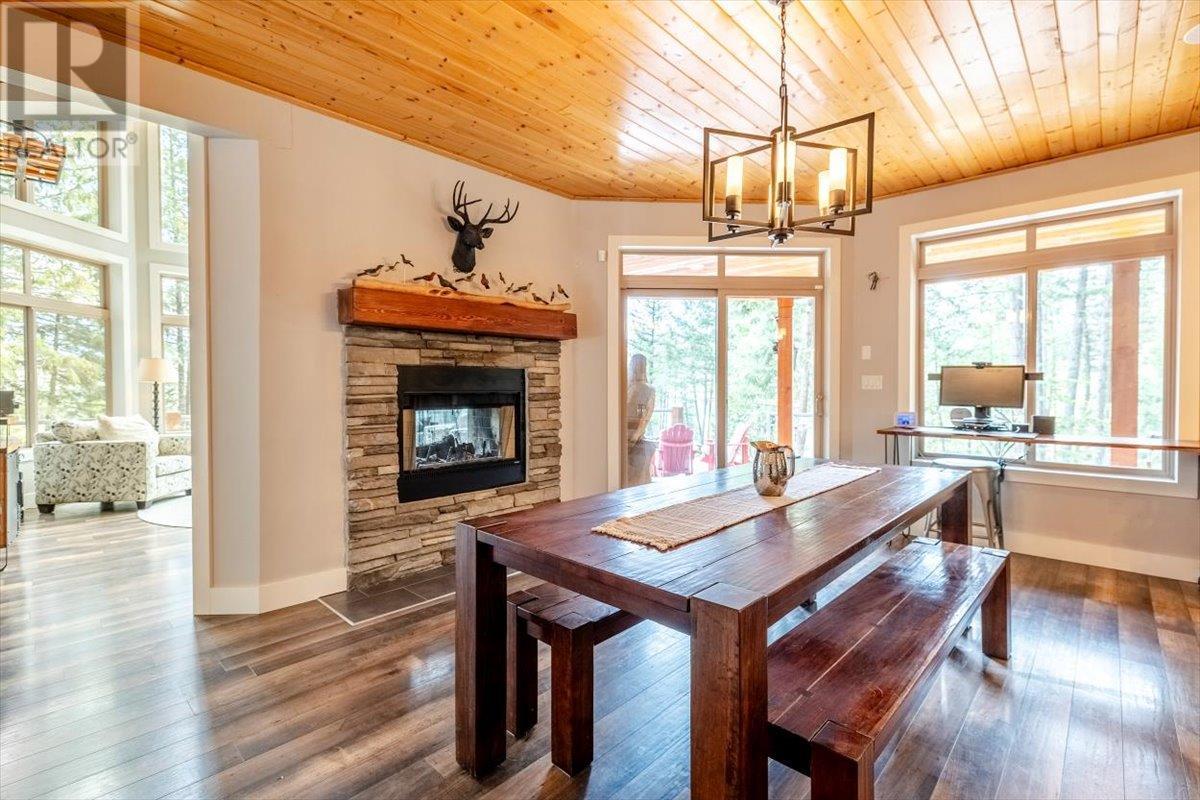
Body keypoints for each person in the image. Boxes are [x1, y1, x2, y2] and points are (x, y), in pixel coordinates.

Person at [626, 353, 656, 486]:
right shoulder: (629, 387)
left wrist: (634, 437)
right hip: (629, 436)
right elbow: (643, 416)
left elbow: (642, 416)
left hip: (632, 438)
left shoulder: (644, 389)